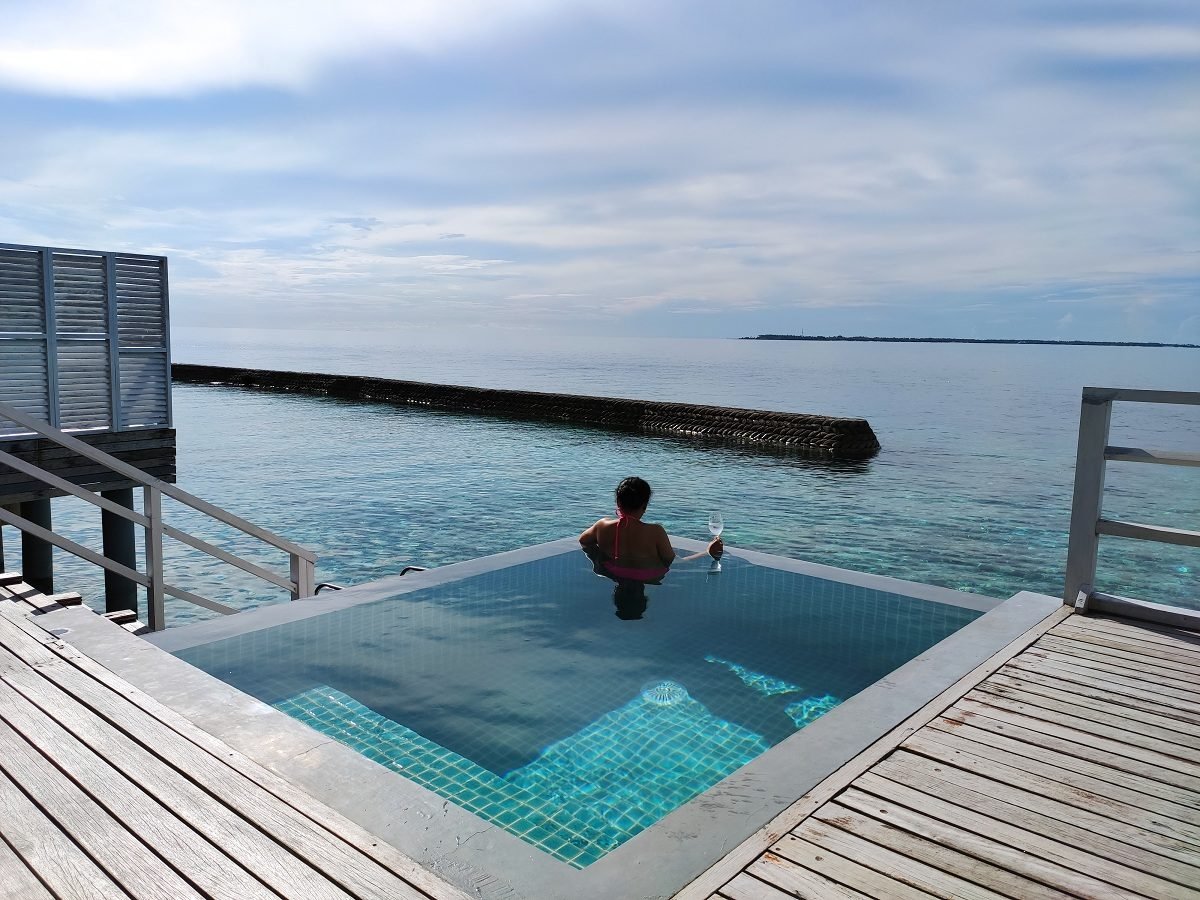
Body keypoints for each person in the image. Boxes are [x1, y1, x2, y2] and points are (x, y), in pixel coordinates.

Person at [579, 476, 723, 583]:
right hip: (650, 577)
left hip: (612, 572)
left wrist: (598, 557)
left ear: (618, 502)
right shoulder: (655, 532)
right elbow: (677, 562)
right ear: (645, 505)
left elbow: (584, 541)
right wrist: (707, 552)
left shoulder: (602, 525)